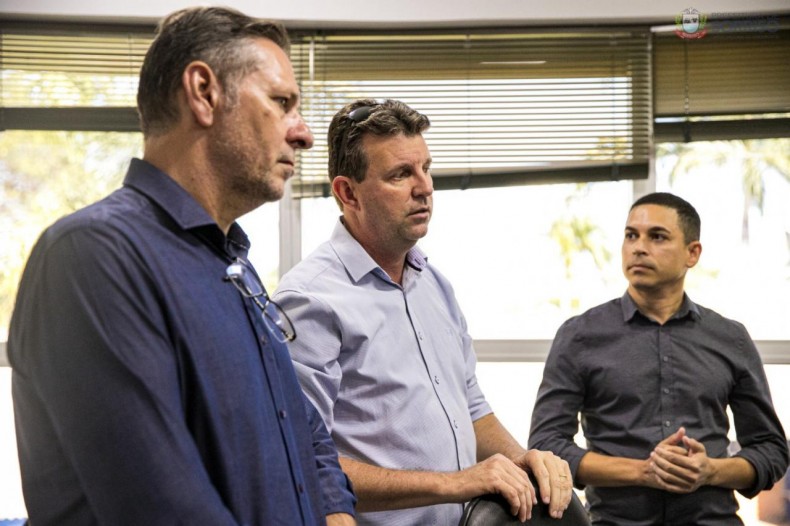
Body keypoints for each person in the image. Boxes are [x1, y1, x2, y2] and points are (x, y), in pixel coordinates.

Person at [8, 7, 356, 525]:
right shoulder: (94, 256)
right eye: (281, 102)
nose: (303, 134)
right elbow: (163, 508)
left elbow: (303, 429)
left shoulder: (232, 264)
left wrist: (335, 512)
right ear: (203, 93)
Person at [273, 99, 572, 525]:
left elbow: (472, 409)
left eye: (425, 168)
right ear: (348, 193)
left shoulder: (434, 284)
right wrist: (456, 482)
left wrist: (521, 461)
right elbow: (299, 461)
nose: (425, 188)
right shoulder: (309, 298)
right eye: (400, 174)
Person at [528, 192, 789, 525]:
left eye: (657, 237)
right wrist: (643, 471)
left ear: (692, 253)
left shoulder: (731, 338)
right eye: (631, 235)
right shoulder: (579, 336)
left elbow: (770, 449)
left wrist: (710, 470)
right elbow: (547, 445)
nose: (639, 247)